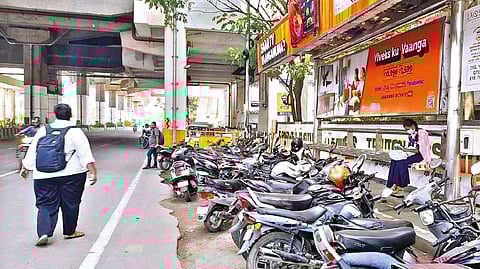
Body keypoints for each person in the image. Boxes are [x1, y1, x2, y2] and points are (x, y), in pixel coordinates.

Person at [20, 104, 97, 247]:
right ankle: (69, 231)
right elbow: (85, 155)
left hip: (43, 175)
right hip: (72, 175)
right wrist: (93, 173)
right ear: (71, 115)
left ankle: (44, 232)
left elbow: (32, 152)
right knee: (71, 203)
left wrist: (25, 168)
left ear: (55, 114)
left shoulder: (43, 130)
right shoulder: (75, 132)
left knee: (45, 204)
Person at [387, 118, 431, 195]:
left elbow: (420, 150)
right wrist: (404, 149)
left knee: (402, 162)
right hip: (411, 153)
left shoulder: (422, 133)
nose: (408, 131)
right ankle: (393, 184)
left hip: (420, 155)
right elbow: (410, 147)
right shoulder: (411, 135)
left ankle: (401, 186)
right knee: (394, 160)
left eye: (408, 129)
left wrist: (405, 150)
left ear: (413, 126)